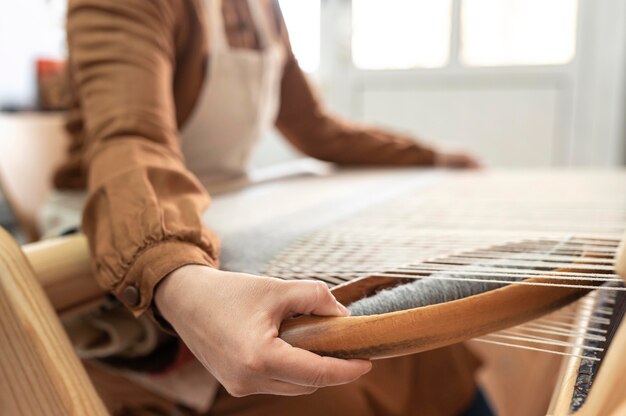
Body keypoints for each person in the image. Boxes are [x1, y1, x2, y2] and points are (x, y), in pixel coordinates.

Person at [50, 0, 487, 414]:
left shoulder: (263, 9)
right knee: (328, 394)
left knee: (426, 350)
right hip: (128, 225)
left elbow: (315, 128)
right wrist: (177, 278)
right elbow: (132, 143)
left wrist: (427, 156)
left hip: (228, 218)